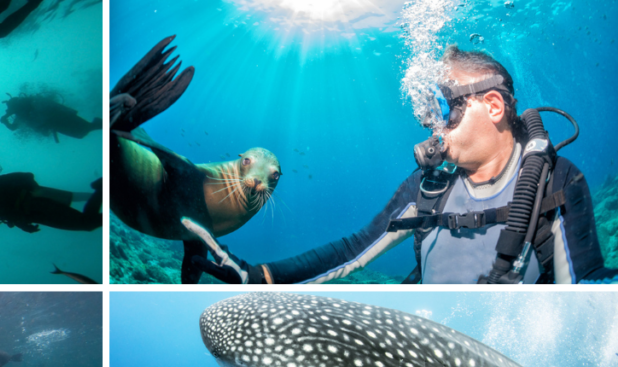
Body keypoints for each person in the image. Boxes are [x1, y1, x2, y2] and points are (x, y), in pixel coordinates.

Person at [190, 45, 616, 284]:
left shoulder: (555, 179)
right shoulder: (428, 185)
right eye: (430, 116)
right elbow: (353, 251)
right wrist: (257, 274)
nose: (436, 128)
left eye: (447, 110)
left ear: (493, 105)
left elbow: (586, 285)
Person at [0, 172, 102, 232]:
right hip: (38, 215)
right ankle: (101, 190)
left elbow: (27, 176)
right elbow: (13, 216)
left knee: (86, 223)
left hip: (40, 205)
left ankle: (102, 189)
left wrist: (35, 189)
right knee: (86, 223)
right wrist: (24, 226)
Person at [1, 94, 102, 142]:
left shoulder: (25, 109)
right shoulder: (21, 114)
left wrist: (5, 120)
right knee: (82, 132)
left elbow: (13, 127)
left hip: (58, 118)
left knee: (83, 130)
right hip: (57, 120)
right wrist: (5, 121)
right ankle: (100, 123)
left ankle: (102, 123)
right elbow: (13, 127)